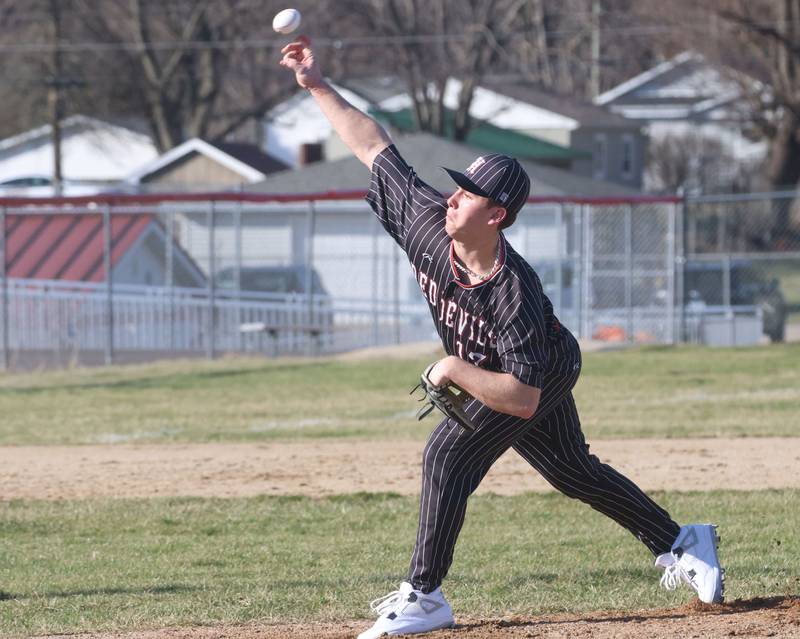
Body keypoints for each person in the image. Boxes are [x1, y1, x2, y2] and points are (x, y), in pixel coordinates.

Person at [280, 36, 724, 638]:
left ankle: (425, 596)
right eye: (457, 187)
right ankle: (681, 540)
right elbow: (372, 145)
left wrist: (452, 369)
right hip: (512, 372)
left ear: (496, 216)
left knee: (446, 454)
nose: (453, 197)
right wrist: (317, 85)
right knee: (573, 472)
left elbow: (522, 397)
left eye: (469, 195)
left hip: (536, 369)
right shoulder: (428, 224)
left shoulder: (511, 290)